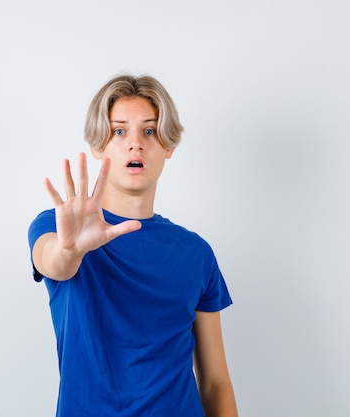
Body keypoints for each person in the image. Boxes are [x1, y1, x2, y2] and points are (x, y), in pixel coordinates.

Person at [28, 74, 238, 417]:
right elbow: (54, 261)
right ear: (99, 146)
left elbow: (216, 382)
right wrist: (71, 250)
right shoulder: (58, 226)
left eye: (150, 131)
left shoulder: (195, 252)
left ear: (168, 146)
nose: (135, 143)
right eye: (119, 130)